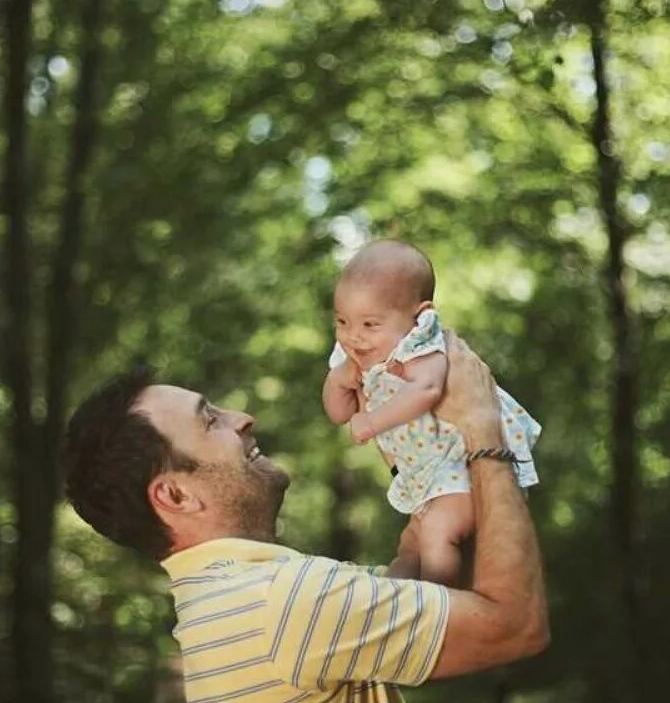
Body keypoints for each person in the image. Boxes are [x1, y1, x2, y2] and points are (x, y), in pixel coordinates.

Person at [64, 332, 548, 703]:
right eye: (210, 420)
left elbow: (442, 596)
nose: (241, 417)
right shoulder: (282, 603)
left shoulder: (238, 602)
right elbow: (515, 625)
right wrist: (484, 432)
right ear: (175, 494)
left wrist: (421, 466)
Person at [323, 240, 541, 585]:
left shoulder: (421, 347)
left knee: (437, 535)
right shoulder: (358, 355)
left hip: (461, 467)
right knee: (411, 548)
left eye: (370, 324)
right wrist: (338, 381)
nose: (353, 337)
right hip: (428, 477)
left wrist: (371, 422)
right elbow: (338, 414)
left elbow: (425, 391)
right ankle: (392, 604)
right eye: (342, 321)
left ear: (419, 316)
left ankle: (446, 605)